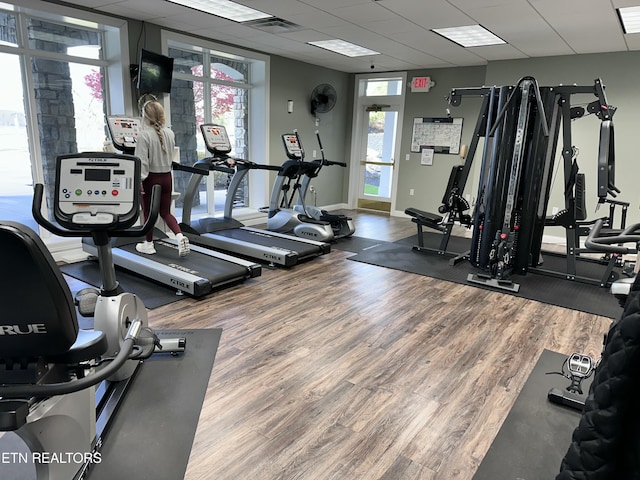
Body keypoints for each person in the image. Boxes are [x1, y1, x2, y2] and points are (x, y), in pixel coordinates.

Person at [134, 100, 189, 257]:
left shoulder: (144, 135)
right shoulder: (170, 133)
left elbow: (142, 161)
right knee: (165, 211)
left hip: (151, 178)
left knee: (148, 212)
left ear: (145, 116)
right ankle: (180, 237)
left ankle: (149, 244)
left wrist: (140, 181)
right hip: (166, 177)